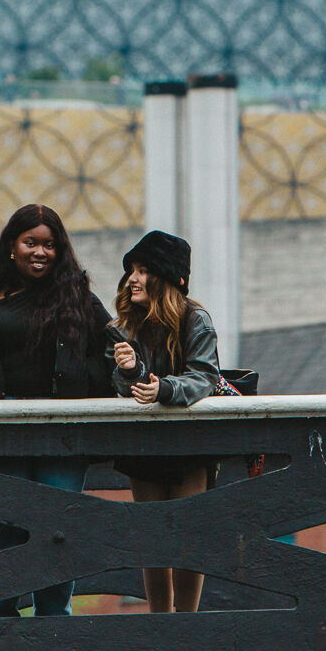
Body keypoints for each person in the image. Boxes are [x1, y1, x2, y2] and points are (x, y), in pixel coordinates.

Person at [0, 203, 115, 616]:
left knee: (58, 530)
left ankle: (54, 622)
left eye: (50, 245)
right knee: (3, 528)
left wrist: (80, 389)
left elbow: (113, 351)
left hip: (62, 431)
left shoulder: (77, 295)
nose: (40, 252)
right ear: (11, 245)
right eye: (31, 242)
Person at [109, 229, 221, 613]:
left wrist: (165, 390)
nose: (133, 279)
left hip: (191, 444)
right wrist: (128, 372)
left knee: (188, 536)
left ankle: (186, 623)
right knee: (151, 541)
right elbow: (126, 387)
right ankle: (160, 621)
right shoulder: (128, 324)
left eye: (143, 270)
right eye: (132, 270)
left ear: (167, 278)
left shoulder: (196, 321)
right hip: (145, 443)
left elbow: (204, 376)